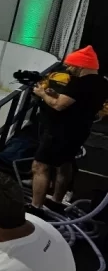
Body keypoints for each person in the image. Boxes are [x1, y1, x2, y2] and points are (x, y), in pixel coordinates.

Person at [30, 45, 108, 208]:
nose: (67, 68)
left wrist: (42, 94)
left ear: (80, 66)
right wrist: (56, 95)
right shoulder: (102, 83)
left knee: (40, 166)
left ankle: (35, 208)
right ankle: (57, 201)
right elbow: (77, 103)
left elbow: (59, 105)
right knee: (64, 163)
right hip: (80, 130)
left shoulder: (79, 83)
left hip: (60, 131)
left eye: (71, 65)